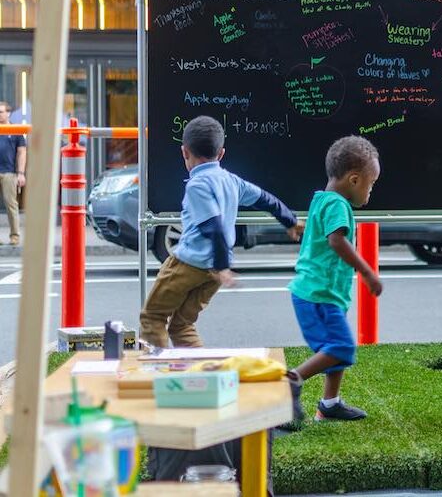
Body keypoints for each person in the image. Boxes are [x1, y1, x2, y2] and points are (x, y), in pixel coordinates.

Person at [140, 115, 301, 348]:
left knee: (153, 317)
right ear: (222, 153)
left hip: (189, 264)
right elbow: (266, 200)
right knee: (182, 325)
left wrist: (222, 265)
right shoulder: (231, 181)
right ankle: (199, 376)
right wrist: (290, 221)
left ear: (184, 152)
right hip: (212, 275)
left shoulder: (198, 185)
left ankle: (162, 375)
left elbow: (213, 227)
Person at [287, 135, 382, 424]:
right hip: (318, 295)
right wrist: (366, 271)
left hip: (323, 294)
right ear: (354, 179)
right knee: (341, 347)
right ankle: (291, 381)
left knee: (335, 349)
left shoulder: (322, 199)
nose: (370, 191)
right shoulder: (338, 205)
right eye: (371, 184)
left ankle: (330, 403)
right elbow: (336, 241)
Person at [0, 102, 25, 245]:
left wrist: (21, 173)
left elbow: (22, 152)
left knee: (11, 205)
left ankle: (14, 237)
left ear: (8, 113)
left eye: (1, 112)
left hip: (9, 173)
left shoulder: (16, 129)